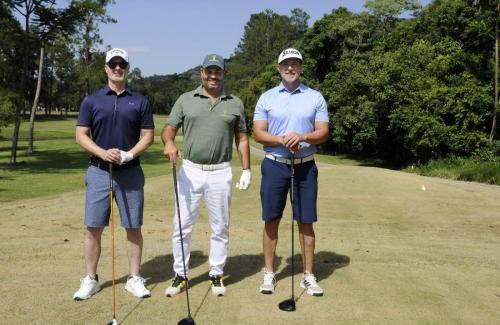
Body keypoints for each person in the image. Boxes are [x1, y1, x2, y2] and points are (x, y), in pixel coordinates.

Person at [162, 53, 251, 297]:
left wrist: (246, 169)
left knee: (220, 226)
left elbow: (242, 138)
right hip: (190, 170)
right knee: (181, 225)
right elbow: (168, 130)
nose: (213, 76)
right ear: (202, 72)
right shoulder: (185, 99)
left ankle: (215, 273)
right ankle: (181, 274)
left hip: (220, 172)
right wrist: (169, 144)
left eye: (218, 71)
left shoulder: (234, 103)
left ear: (224, 74)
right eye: (209, 71)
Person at [73, 48, 154, 300]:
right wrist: (101, 152)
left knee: (133, 227)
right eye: (113, 64)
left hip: (130, 172)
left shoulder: (140, 100)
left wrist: (129, 154)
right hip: (99, 171)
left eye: (122, 64)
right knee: (93, 227)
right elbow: (80, 134)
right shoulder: (92, 100)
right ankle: (91, 279)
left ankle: (134, 278)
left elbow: (148, 136)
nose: (117, 68)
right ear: (106, 68)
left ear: (127, 68)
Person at [253, 48, 329, 296]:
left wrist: (303, 136)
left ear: (302, 68)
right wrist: (280, 139)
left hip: (305, 165)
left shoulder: (315, 97)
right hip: (275, 164)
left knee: (306, 221)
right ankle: (269, 272)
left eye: (295, 63)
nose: (290, 68)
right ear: (278, 68)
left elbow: (323, 131)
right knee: (271, 219)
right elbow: (258, 133)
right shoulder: (267, 97)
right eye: (286, 64)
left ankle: (308, 275)